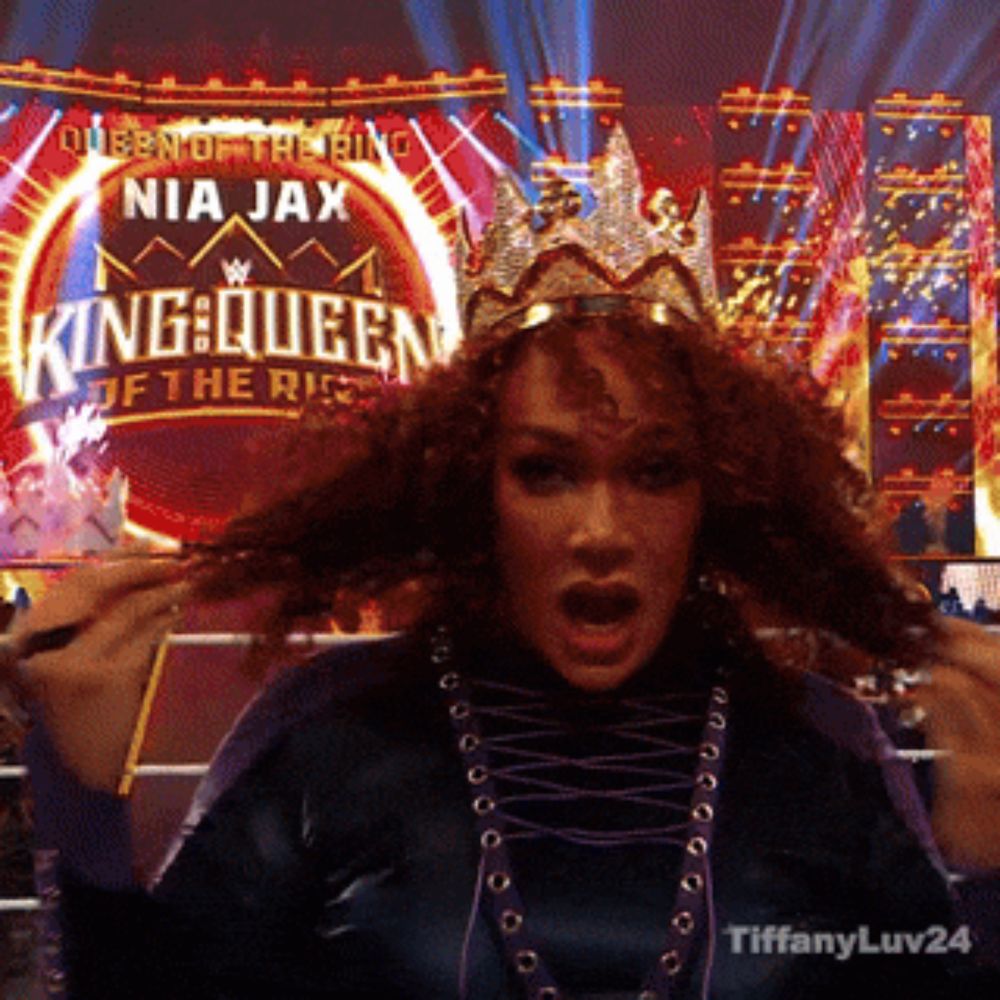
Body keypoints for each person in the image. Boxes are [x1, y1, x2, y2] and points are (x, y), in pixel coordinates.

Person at [6, 128, 1000, 998]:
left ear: (717, 498)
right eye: (545, 471)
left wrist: (992, 866)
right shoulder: (327, 734)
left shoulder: (825, 752)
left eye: (655, 472)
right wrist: (84, 803)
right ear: (474, 489)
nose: (601, 529)